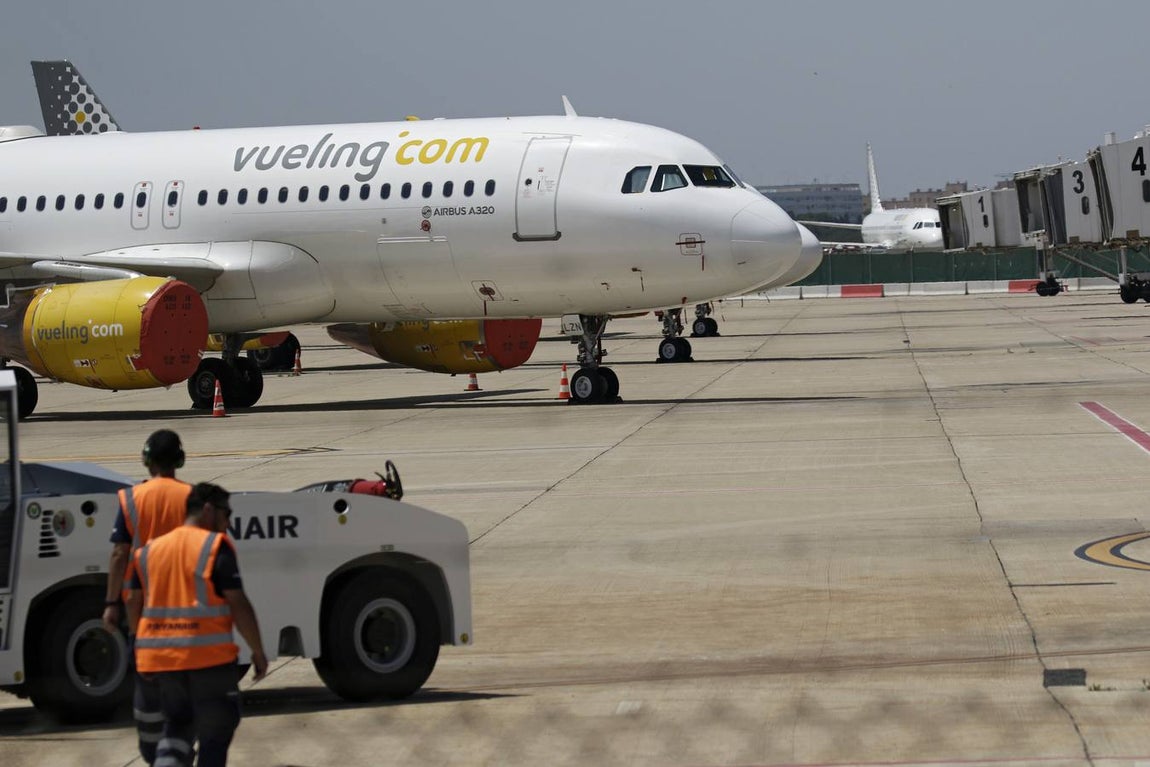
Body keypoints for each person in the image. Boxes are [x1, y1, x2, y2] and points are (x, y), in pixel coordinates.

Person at [127, 482, 269, 767]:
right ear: (208, 510)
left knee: (177, 726)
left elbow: (132, 600)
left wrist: (140, 647)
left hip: (163, 661)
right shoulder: (214, 547)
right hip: (208, 660)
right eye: (227, 514)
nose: (228, 524)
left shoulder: (149, 551)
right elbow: (238, 603)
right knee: (216, 729)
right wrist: (257, 650)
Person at [104, 429, 192, 763]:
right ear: (179, 461)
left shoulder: (132, 499)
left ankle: (157, 753)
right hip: (185, 610)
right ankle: (178, 748)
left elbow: (119, 554)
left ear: (146, 460)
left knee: (147, 693)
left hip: (142, 612)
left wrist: (111, 602)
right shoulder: (191, 497)